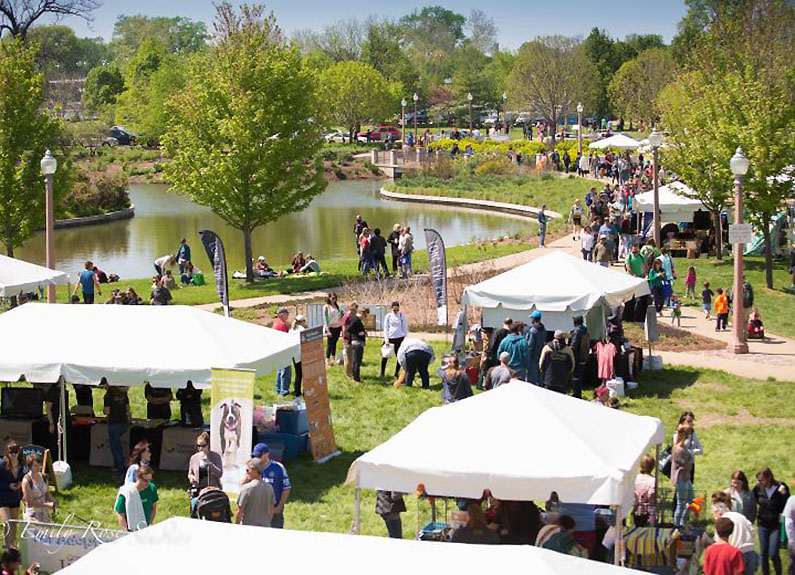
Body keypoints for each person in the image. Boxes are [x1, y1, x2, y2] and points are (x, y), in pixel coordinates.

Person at [753, 467, 790, 575]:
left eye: (762, 480)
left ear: (769, 477)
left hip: (775, 525)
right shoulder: (758, 488)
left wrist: (784, 494)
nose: (760, 483)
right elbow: (752, 499)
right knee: (763, 553)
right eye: (759, 480)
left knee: (773, 553)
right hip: (762, 525)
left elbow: (788, 505)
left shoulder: (780, 487)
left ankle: (779, 572)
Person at [712, 491, 758, 575]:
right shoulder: (740, 516)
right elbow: (753, 531)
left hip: (735, 554)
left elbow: (719, 543)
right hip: (750, 552)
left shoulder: (722, 522)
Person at [252, 443, 291, 529]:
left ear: (267, 454)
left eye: (259, 456)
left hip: (274, 509)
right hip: (256, 509)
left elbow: (286, 488)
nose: (256, 459)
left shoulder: (278, 467)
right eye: (255, 456)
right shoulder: (252, 467)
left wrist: (280, 506)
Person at [114, 465, 158, 531]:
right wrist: (125, 532)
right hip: (130, 529)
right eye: (145, 480)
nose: (148, 483)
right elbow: (120, 513)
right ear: (137, 478)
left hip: (145, 528)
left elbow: (153, 508)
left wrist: (150, 524)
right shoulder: (127, 492)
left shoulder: (152, 488)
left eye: (150, 480)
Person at [0, 441, 25, 548]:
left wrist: (21, 483)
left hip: (15, 498)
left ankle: (12, 546)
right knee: (8, 522)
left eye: (15, 451)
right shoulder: (2, 465)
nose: (13, 454)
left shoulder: (22, 466)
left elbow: (25, 477)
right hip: (3, 498)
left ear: (19, 452)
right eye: (11, 452)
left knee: (14, 523)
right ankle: (8, 546)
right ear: (7, 453)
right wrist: (8, 485)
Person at [236, 459, 274, 527]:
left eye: (248, 470)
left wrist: (236, 526)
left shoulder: (247, 488)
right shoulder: (270, 488)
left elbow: (239, 511)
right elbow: (271, 509)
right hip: (265, 527)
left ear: (255, 471)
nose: (246, 473)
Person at [104, 385, 131, 477]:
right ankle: (116, 467)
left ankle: (121, 470)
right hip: (123, 422)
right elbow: (128, 409)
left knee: (116, 448)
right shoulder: (123, 394)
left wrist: (104, 411)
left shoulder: (108, 396)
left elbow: (107, 411)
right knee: (120, 446)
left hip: (114, 423)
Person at [671, 423, 694, 528]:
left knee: (690, 499)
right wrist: (690, 461)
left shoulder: (683, 447)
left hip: (686, 477)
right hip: (681, 478)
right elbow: (686, 464)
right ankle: (676, 525)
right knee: (681, 504)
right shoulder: (678, 450)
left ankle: (682, 523)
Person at [21, 455, 56, 523]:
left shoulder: (43, 477)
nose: (38, 467)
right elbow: (30, 503)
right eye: (35, 466)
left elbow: (46, 493)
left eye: (39, 465)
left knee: (46, 532)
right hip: (32, 514)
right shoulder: (27, 481)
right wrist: (47, 505)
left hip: (44, 513)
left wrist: (53, 501)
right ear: (30, 467)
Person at [381, 301, 408, 379]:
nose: (395, 309)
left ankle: (396, 373)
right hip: (390, 338)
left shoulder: (401, 315)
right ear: (392, 307)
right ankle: (382, 372)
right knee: (385, 356)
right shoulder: (388, 316)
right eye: (394, 307)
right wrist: (386, 339)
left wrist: (405, 336)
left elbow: (404, 326)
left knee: (400, 356)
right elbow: (385, 328)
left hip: (399, 338)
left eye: (397, 307)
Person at [344, 304, 367, 383]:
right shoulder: (355, 319)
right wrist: (359, 333)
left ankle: (354, 376)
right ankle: (356, 379)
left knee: (355, 361)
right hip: (358, 342)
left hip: (355, 341)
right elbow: (349, 329)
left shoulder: (354, 319)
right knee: (357, 361)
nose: (364, 316)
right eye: (363, 314)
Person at [569, 316, 590, 399]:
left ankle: (576, 394)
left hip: (577, 357)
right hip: (583, 356)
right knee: (579, 376)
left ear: (576, 322)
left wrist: (568, 351)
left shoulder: (577, 331)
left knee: (575, 377)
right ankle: (578, 393)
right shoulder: (585, 330)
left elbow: (574, 346)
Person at [272, 308, 292, 395]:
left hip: (277, 349)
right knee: (286, 370)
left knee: (280, 370)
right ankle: (284, 390)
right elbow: (285, 338)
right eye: (286, 313)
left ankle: (278, 388)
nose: (288, 315)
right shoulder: (282, 325)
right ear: (281, 315)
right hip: (283, 349)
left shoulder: (276, 323)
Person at [633, 454, 656, 527]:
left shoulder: (636, 478)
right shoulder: (653, 481)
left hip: (636, 510)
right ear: (653, 466)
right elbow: (651, 494)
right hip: (649, 512)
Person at [323, 292, 343, 368]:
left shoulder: (337, 306)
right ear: (329, 298)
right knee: (329, 344)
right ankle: (327, 360)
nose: (333, 300)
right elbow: (325, 318)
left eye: (335, 298)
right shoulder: (326, 307)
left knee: (334, 343)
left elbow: (339, 315)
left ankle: (333, 358)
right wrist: (327, 329)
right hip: (330, 327)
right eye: (332, 298)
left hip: (337, 327)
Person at [526, 311, 546, 385]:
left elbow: (530, 345)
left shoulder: (532, 331)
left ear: (533, 319)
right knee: (539, 377)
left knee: (531, 378)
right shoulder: (544, 329)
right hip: (541, 354)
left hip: (533, 357)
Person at [291, 315, 306, 396]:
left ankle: (297, 390)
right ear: (302, 321)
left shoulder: (292, 330)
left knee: (298, 373)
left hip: (294, 354)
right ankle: (301, 391)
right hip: (301, 354)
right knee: (303, 374)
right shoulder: (302, 330)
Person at [784, 488, 795, 575]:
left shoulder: (792, 500)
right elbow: (788, 522)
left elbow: (788, 522)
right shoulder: (792, 500)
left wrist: (792, 542)